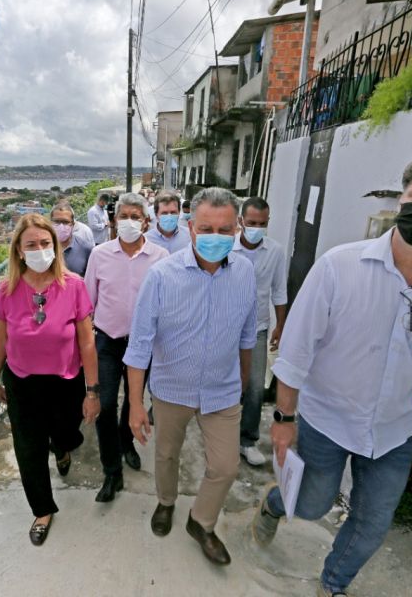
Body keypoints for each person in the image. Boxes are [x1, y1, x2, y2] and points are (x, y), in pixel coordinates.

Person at [252, 151, 412, 597]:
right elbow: (297, 350)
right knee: (312, 503)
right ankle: (274, 503)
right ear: (402, 198)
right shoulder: (341, 265)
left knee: (373, 521)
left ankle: (333, 585)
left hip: (393, 431)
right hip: (325, 419)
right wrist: (283, 422)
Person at [126, 187, 257, 565]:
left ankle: (201, 521)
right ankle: (166, 503)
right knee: (166, 455)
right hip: (171, 390)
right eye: (206, 228)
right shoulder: (162, 275)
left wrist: (244, 381)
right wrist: (136, 405)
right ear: (191, 227)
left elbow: (247, 336)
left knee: (226, 466)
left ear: (238, 228)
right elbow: (139, 347)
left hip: (223, 390)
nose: (215, 237)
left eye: (225, 229)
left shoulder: (245, 273)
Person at [0, 213, 101, 547]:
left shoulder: (74, 286)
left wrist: (92, 390)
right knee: (28, 448)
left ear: (55, 246)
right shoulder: (6, 289)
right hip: (23, 382)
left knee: (66, 431)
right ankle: (42, 510)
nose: (39, 250)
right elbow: (1, 339)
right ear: (19, 252)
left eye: (45, 243)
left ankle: (62, 448)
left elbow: (87, 342)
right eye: (31, 245)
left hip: (66, 379)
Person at [84, 193, 169, 503]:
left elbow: (165, 303)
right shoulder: (100, 254)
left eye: (136, 216)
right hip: (107, 341)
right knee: (105, 404)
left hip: (143, 345)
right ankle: (111, 472)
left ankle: (126, 441)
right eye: (124, 216)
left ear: (146, 222)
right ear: (114, 221)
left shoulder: (161, 257)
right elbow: (88, 302)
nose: (130, 222)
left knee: (133, 401)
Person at [233, 197, 288, 466]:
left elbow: (279, 290)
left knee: (255, 386)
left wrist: (281, 324)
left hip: (257, 328)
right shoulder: (226, 248)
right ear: (241, 221)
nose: (256, 228)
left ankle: (247, 439)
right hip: (226, 327)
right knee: (223, 383)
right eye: (251, 222)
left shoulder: (275, 251)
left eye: (262, 224)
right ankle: (219, 434)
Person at [50, 201, 93, 276]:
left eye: (65, 222)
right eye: (56, 221)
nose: (61, 226)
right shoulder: (42, 247)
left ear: (73, 224)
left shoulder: (86, 248)